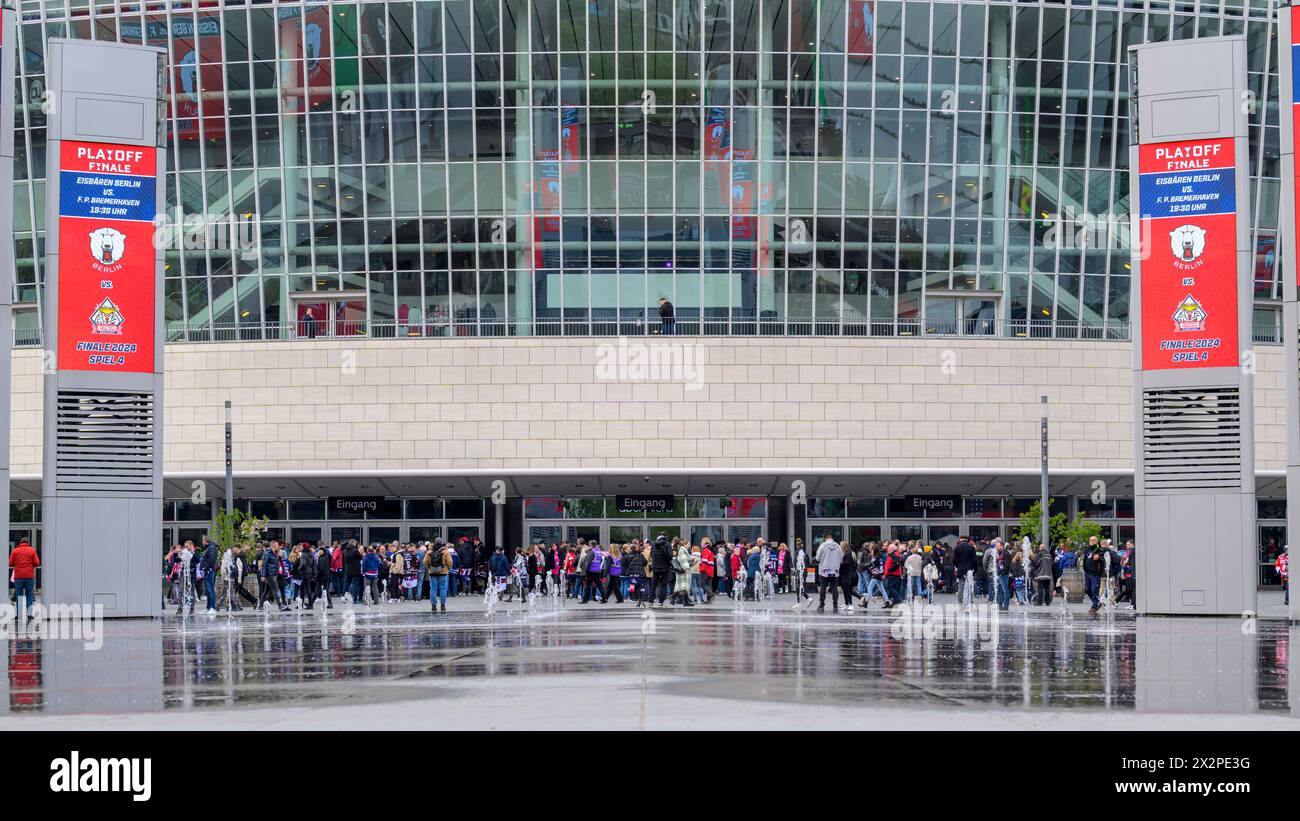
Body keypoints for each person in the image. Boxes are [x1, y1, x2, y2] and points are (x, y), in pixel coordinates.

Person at [8, 539, 39, 615]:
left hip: (18, 577)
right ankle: (29, 615)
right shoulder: (32, 550)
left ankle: (18, 614)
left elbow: (10, 563)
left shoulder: (15, 551)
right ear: (28, 543)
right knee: (29, 594)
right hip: (29, 576)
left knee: (18, 595)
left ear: (20, 543)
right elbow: (37, 563)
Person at [814, 534, 843, 612]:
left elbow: (817, 558)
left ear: (825, 539)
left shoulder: (822, 546)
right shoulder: (838, 546)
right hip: (834, 570)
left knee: (823, 588)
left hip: (824, 569)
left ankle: (821, 605)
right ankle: (835, 606)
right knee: (834, 588)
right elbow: (841, 559)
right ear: (832, 538)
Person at [426, 541, 453, 612]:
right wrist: (448, 568)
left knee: (433, 589)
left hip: (432, 572)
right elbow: (449, 562)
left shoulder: (429, 552)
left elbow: (425, 561)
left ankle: (433, 606)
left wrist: (430, 567)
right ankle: (443, 605)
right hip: (443, 573)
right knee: (443, 589)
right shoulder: (446, 552)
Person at [953, 535, 978, 608]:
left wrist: (958, 566)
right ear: (967, 540)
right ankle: (971, 602)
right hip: (969, 569)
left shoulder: (957, 548)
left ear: (960, 540)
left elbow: (954, 560)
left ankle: (960, 603)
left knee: (961, 586)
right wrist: (974, 569)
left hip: (961, 569)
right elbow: (975, 560)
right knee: (970, 585)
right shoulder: (971, 548)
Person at [650, 535, 674, 606]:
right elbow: (669, 555)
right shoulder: (667, 544)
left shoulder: (653, 544)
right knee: (663, 585)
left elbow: (651, 555)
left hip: (655, 567)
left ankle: (650, 601)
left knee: (653, 585)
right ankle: (661, 602)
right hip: (665, 567)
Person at [199, 538, 219, 614]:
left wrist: (205, 568)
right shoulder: (210, 547)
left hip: (209, 571)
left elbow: (212, 560)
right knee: (208, 590)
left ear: (205, 541)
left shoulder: (211, 548)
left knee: (210, 590)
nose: (202, 542)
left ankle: (212, 608)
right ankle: (208, 607)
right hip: (207, 571)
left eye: (202, 541)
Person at [672, 541, 694, 606]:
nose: (689, 545)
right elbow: (683, 560)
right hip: (683, 570)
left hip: (681, 570)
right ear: (684, 544)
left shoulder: (681, 550)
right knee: (683, 587)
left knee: (683, 587)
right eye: (688, 544)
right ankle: (672, 597)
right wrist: (686, 568)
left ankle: (685, 602)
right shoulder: (682, 550)